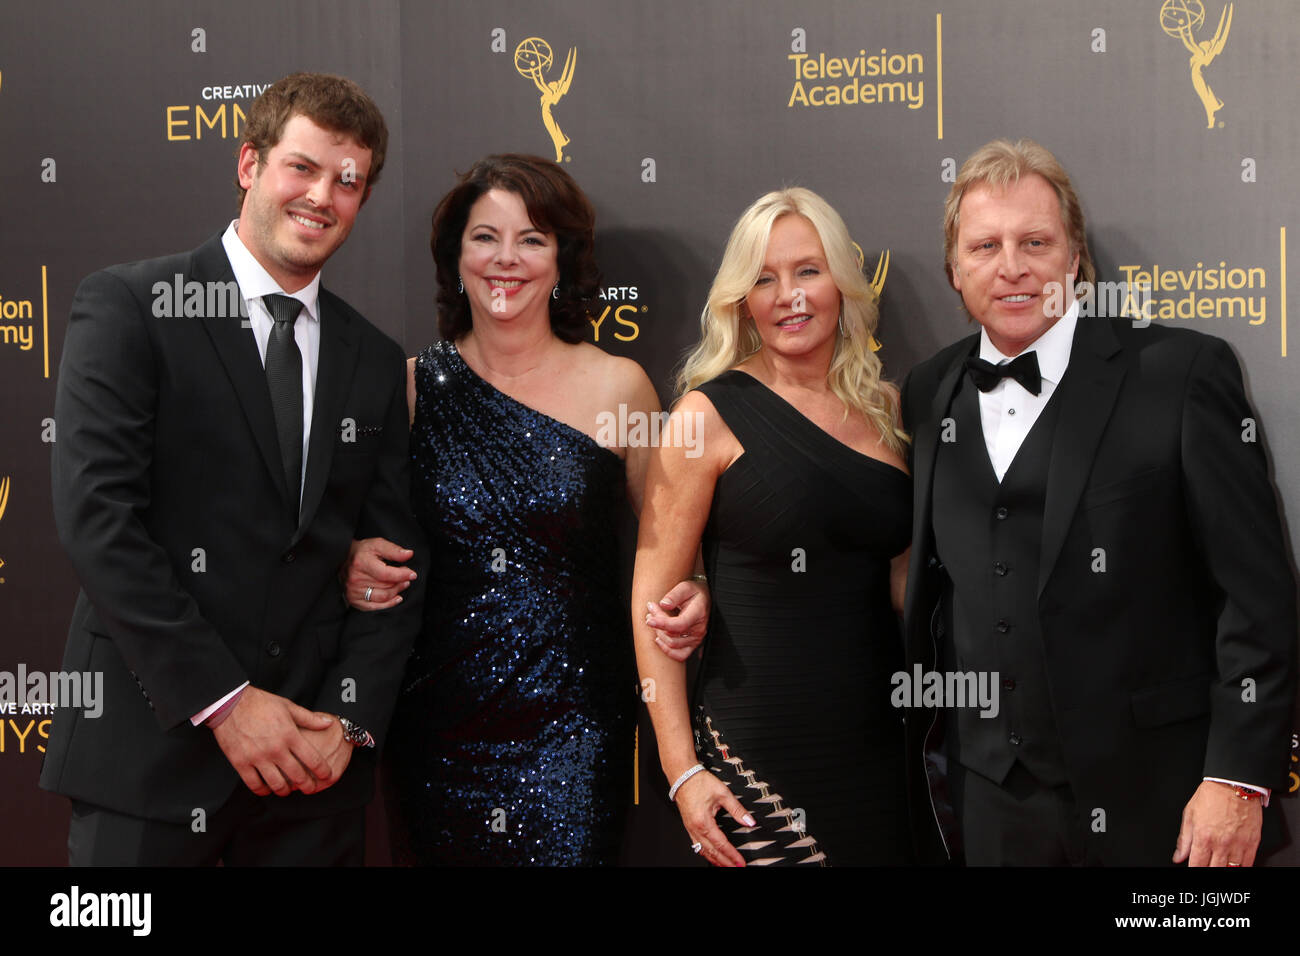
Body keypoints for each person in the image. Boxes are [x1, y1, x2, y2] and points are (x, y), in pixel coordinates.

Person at [40, 73, 425, 865]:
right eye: (303, 167)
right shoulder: (130, 306)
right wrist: (225, 703)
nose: (323, 195)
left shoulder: (376, 360)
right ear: (249, 164)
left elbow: (392, 565)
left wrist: (349, 724)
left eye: (347, 181)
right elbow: (98, 521)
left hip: (313, 782)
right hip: (146, 761)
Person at [900, 138, 1297, 866]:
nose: (1012, 266)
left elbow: (1258, 598)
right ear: (956, 269)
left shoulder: (1178, 374)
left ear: (1074, 257)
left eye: (1036, 242)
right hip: (988, 796)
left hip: (1162, 799)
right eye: (985, 245)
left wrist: (1236, 779)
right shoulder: (928, 392)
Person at [343, 154, 707, 865]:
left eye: (533, 239)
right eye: (485, 237)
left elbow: (675, 547)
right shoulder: (411, 388)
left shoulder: (619, 388)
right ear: (455, 256)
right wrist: (348, 562)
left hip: (574, 732)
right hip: (435, 732)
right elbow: (351, 536)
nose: (506, 259)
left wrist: (696, 590)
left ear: (563, 260)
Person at [633, 187, 941, 866]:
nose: (788, 296)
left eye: (807, 271)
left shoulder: (890, 410)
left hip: (878, 743)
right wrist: (682, 769)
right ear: (742, 299)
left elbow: (903, 574)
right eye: (764, 279)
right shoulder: (704, 416)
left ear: (842, 282)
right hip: (757, 752)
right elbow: (652, 605)